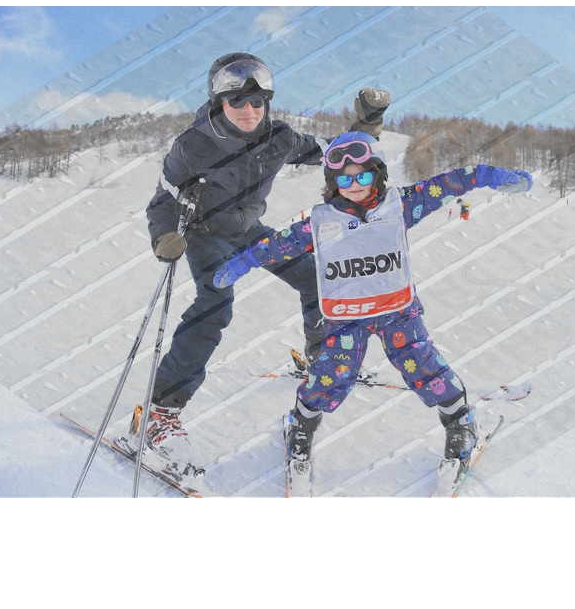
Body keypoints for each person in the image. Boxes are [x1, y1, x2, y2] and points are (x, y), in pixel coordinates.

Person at [122, 53, 392, 482]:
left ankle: (320, 357)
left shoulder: (278, 137)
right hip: (205, 234)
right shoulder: (193, 146)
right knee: (215, 306)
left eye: (257, 102)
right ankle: (160, 415)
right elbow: (162, 201)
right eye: (237, 102)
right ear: (219, 102)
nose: (249, 111)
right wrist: (164, 237)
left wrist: (367, 124)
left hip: (249, 231)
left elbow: (334, 154)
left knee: (316, 277)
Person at [211, 131, 532, 487]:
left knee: (425, 367)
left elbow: (448, 183)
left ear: (377, 174)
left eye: (362, 176)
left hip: (397, 311)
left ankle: (460, 422)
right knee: (330, 375)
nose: (354, 186)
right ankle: (301, 424)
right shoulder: (321, 221)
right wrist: (245, 261)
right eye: (344, 179)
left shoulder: (400, 205)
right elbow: (281, 244)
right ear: (333, 183)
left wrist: (488, 175)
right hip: (345, 318)